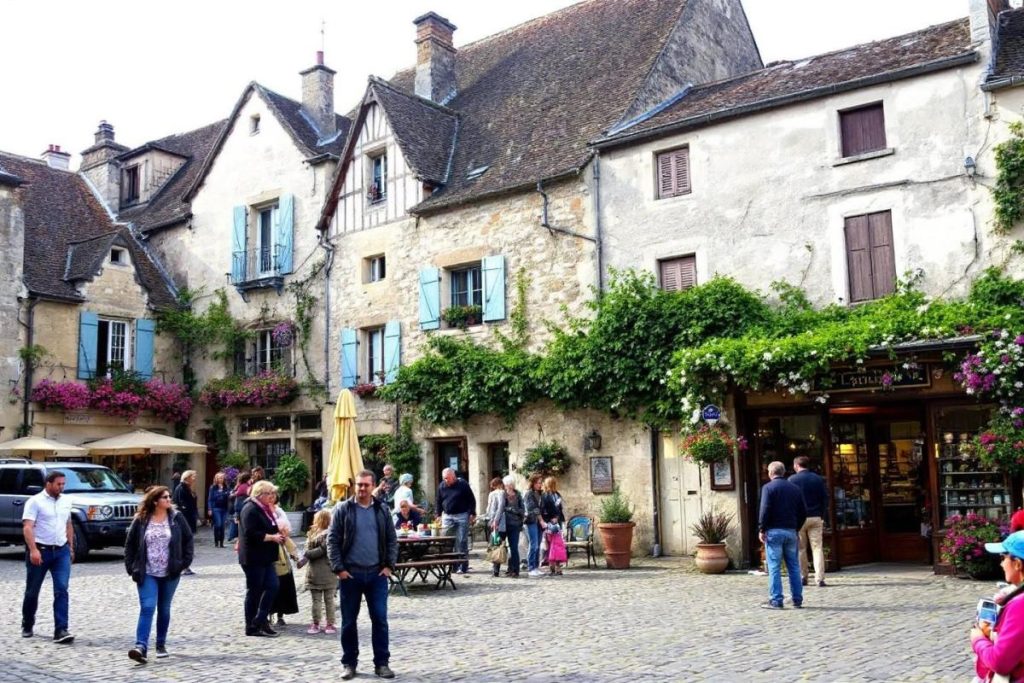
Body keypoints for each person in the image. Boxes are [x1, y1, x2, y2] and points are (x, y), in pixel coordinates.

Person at [327, 469, 398, 680]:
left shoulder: (382, 510)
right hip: (351, 574)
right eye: (359, 485)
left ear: (373, 485)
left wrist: (389, 567)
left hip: (377, 574)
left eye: (366, 485)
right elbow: (332, 541)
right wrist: (339, 569)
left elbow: (392, 540)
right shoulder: (343, 509)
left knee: (380, 620)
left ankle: (382, 663)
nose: (362, 488)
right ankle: (349, 663)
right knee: (349, 622)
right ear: (354, 486)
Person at [123, 485, 194, 664]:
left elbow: (188, 540)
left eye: (169, 497)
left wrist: (183, 563)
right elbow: (130, 544)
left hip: (170, 572)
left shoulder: (176, 518)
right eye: (165, 497)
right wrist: (131, 567)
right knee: (147, 607)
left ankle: (160, 644)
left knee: (164, 608)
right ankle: (141, 647)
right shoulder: (141, 519)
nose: (169, 500)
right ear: (155, 501)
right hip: (147, 571)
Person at [21, 470, 75, 643]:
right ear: (48, 483)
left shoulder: (66, 501)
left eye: (63, 484)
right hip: (40, 550)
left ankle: (61, 629)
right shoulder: (35, 501)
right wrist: (33, 550)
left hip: (61, 551)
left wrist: (71, 547)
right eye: (58, 484)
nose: (62, 487)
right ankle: (27, 623)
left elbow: (68, 524)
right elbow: (28, 527)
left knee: (61, 589)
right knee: (32, 591)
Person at [971, 530, 1024, 682]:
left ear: (1018, 564)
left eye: (1003, 557)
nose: (1001, 564)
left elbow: (1000, 662)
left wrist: (978, 640)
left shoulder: (1020, 605)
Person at [238, 480, 286, 638]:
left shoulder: (265, 509)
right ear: (259, 494)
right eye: (269, 493)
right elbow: (251, 533)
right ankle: (251, 625)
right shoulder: (250, 509)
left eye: (273, 493)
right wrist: (272, 537)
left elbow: (270, 526)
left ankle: (260, 619)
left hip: (266, 556)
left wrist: (279, 534)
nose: (272, 496)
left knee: (273, 586)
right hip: (253, 557)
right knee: (255, 591)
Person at [758, 460, 807, 610]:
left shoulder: (768, 488)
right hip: (790, 531)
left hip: (774, 531)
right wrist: (796, 528)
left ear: (770, 472)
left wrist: (761, 528)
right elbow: (803, 512)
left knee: (774, 567)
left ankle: (776, 599)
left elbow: (765, 509)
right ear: (784, 472)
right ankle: (797, 599)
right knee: (793, 566)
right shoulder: (794, 488)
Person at [789, 455, 830, 587]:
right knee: (817, 548)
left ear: (796, 465)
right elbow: (825, 498)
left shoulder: (792, 480)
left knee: (801, 548)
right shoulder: (817, 479)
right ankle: (820, 578)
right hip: (816, 516)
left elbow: (790, 501)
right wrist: (822, 515)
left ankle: (803, 576)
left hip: (799, 518)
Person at [436, 467, 477, 574]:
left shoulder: (463, 484)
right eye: (444, 478)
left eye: (447, 478)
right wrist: (438, 515)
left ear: (453, 477)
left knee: (461, 540)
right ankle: (451, 565)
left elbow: (471, 499)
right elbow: (438, 501)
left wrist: (472, 513)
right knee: (446, 540)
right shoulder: (442, 486)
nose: (446, 481)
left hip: (462, 515)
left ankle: (462, 565)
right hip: (448, 515)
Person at [303, 509, 337, 635]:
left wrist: (306, 554)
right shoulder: (331, 534)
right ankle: (330, 623)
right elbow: (324, 550)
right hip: (329, 571)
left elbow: (311, 550)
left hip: (315, 572)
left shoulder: (312, 533)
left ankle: (316, 623)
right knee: (329, 600)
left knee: (316, 600)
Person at [270, 494, 301, 627]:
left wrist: (294, 555)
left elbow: (286, 534)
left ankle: (280, 614)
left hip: (281, 555)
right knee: (268, 587)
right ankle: (268, 613)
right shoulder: (262, 511)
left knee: (282, 586)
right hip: (268, 554)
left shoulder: (278, 512)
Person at [541, 476, 567, 576]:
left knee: (550, 544)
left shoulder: (545, 495)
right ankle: (557, 567)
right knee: (557, 544)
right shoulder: (557, 495)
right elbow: (560, 509)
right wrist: (558, 518)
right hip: (557, 522)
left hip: (549, 523)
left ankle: (552, 566)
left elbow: (544, 510)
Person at [501, 475, 525, 578]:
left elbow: (522, 509)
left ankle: (515, 570)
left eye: (511, 484)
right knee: (500, 546)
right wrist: (511, 509)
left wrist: (514, 511)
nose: (509, 486)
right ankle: (500, 569)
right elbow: (501, 508)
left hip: (515, 524)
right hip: (503, 524)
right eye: (507, 484)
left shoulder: (518, 494)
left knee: (514, 548)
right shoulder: (502, 494)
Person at [523, 473, 545, 578]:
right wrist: (541, 520)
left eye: (541, 483)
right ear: (533, 483)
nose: (540, 485)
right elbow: (533, 509)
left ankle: (536, 566)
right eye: (538, 483)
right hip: (531, 521)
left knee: (538, 545)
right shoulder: (529, 494)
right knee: (534, 544)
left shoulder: (540, 493)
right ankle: (531, 567)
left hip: (539, 523)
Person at [485, 478, 506, 577]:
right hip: (499, 522)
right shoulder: (501, 493)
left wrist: (491, 520)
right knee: (498, 544)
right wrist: (496, 521)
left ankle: (495, 568)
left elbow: (489, 509)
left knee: (495, 544)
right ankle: (496, 568)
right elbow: (500, 507)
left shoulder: (492, 494)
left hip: (492, 521)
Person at [208, 472, 231, 549]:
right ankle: (216, 542)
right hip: (216, 508)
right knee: (218, 525)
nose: (221, 479)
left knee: (222, 526)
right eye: (219, 478)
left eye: (222, 478)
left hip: (224, 508)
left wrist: (228, 494)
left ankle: (221, 543)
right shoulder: (213, 487)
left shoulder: (226, 487)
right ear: (216, 479)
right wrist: (210, 509)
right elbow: (210, 499)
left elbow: (229, 496)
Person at [228, 472, 252, 543]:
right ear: (248, 479)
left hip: (238, 507)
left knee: (237, 522)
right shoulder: (245, 486)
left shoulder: (241, 485)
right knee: (239, 523)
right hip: (241, 507)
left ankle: (233, 537)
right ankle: (236, 537)